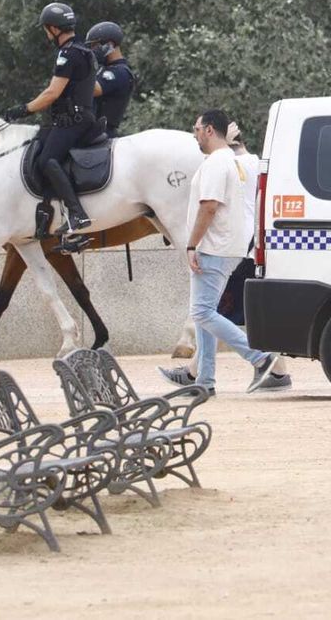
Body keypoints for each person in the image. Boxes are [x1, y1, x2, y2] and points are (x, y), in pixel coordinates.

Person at [158, 109, 290, 395]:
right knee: (207, 311)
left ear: (208, 130)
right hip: (227, 246)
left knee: (202, 312)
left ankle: (260, 358)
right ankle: (204, 381)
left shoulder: (217, 163)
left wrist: (192, 244)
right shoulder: (232, 161)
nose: (194, 135)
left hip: (213, 246)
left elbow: (209, 206)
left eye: (196, 130)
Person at [2, 2, 99, 244]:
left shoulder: (68, 54)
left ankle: (77, 214)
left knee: (46, 160)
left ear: (54, 29)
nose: (47, 34)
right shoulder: (84, 50)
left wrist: (22, 110)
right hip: (80, 118)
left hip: (73, 122)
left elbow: (52, 93)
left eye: (47, 29)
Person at [86, 20, 136, 136]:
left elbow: (93, 90)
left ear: (110, 44)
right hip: (91, 130)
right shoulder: (103, 68)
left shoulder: (120, 72)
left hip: (103, 133)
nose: (93, 50)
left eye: (96, 45)